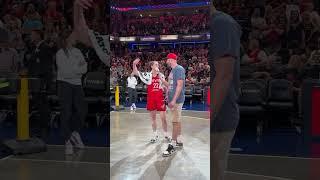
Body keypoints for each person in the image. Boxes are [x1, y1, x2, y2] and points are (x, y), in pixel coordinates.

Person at [211, 3, 242, 180]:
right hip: (212, 117)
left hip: (219, 117)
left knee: (212, 171)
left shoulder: (221, 24)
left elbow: (224, 76)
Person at [56, 30, 88, 155]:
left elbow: (85, 67)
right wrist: (77, 70)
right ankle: (67, 140)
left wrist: (75, 70)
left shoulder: (78, 51)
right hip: (64, 85)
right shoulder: (60, 53)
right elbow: (65, 73)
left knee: (82, 110)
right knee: (66, 112)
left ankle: (75, 133)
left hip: (77, 85)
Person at [133, 59, 169, 143]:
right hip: (151, 99)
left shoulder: (161, 75)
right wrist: (134, 64)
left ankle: (166, 135)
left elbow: (166, 86)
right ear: (152, 66)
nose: (157, 66)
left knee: (163, 119)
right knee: (153, 119)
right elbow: (136, 72)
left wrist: (167, 94)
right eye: (156, 64)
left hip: (160, 99)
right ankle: (155, 135)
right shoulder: (147, 75)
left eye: (158, 64)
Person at [159, 53, 186, 157]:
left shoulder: (179, 69)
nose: (166, 61)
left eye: (168, 60)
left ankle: (172, 145)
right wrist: (162, 80)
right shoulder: (172, 71)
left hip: (177, 100)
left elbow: (179, 86)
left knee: (175, 122)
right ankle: (179, 140)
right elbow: (169, 85)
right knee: (177, 121)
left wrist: (174, 100)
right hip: (172, 99)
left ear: (172, 59)